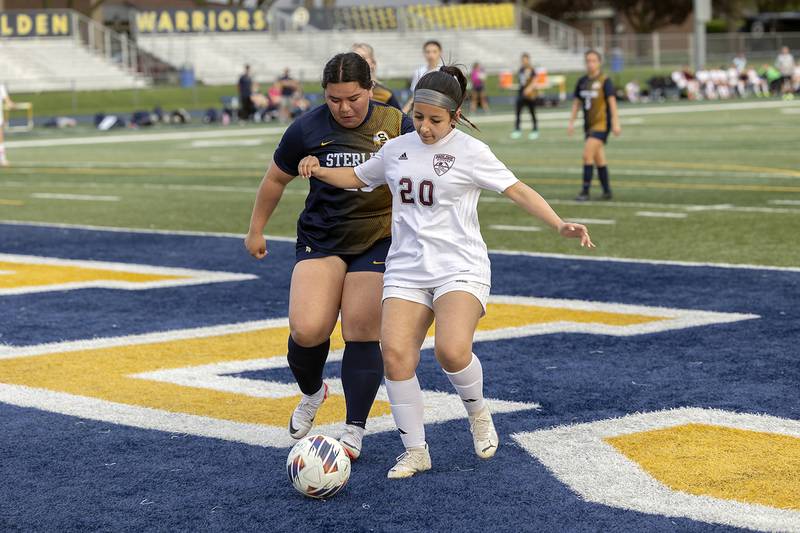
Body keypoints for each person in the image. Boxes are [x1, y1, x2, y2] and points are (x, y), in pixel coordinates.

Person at [297, 65, 594, 479]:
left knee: (451, 351)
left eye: (435, 120)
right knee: (397, 356)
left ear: (455, 116)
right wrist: (316, 168)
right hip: (405, 269)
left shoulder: (472, 151)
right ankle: (416, 451)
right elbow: (358, 177)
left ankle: (478, 413)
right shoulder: (396, 148)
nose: (424, 127)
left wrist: (559, 223)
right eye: (418, 116)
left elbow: (517, 189)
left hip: (459, 265)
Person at [244, 52, 415, 460]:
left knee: (360, 327)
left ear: (370, 89)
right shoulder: (305, 128)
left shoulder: (395, 125)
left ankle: (354, 426)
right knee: (307, 330)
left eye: (353, 98)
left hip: (378, 238)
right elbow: (274, 178)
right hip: (322, 238)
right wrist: (255, 229)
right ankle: (313, 391)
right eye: (334, 99)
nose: (344, 107)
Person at [568, 50, 621, 201]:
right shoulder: (582, 81)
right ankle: (607, 191)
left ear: (599, 62)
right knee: (599, 159)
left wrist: (616, 123)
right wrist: (571, 122)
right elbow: (576, 103)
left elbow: (612, 103)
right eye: (588, 61)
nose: (590, 64)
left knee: (587, 156)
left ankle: (585, 191)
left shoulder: (605, 81)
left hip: (602, 125)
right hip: (589, 126)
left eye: (593, 60)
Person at [351, 42, 402, 110]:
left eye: (362, 58)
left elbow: (399, 119)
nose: (357, 62)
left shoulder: (385, 94)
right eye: (354, 58)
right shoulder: (343, 91)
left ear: (373, 63)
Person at [403, 40, 442, 113]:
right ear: (424, 54)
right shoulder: (418, 72)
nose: (431, 55)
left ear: (440, 53)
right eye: (428, 52)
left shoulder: (445, 71)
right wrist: (404, 111)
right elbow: (415, 95)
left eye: (434, 52)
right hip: (423, 111)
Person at [511, 53, 539, 140]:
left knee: (532, 113)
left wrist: (529, 89)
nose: (524, 62)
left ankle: (535, 130)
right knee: (518, 113)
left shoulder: (532, 70)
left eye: (525, 60)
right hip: (521, 94)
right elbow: (521, 82)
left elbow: (535, 81)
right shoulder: (521, 70)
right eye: (523, 60)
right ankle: (517, 129)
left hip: (530, 95)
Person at [0, 83, 14, 167]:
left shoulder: (1, 86)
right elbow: (8, 102)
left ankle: (2, 158)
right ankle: (2, 159)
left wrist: (11, 104)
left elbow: (8, 101)